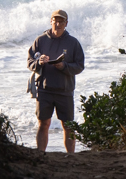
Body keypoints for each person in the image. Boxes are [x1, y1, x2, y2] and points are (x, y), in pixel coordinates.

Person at [27, 9, 85, 153]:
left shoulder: (73, 43)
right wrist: (39, 62)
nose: (57, 24)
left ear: (66, 24)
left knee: (68, 125)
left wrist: (64, 66)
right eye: (55, 21)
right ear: (51, 21)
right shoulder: (40, 40)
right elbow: (29, 62)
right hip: (44, 90)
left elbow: (79, 66)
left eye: (61, 22)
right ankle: (41, 155)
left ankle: (71, 156)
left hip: (64, 90)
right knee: (43, 124)